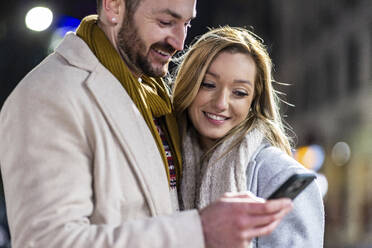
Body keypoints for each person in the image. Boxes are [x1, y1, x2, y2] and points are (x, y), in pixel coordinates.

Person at [0, 0, 293, 247]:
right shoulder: (48, 95)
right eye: (166, 22)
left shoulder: (153, 97)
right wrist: (199, 230)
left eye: (187, 24)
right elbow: (50, 242)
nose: (179, 43)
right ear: (114, 6)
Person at [172, 26, 325, 247]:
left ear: (253, 101)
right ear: (189, 84)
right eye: (208, 84)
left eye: (239, 92)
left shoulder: (279, 176)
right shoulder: (171, 159)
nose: (221, 103)